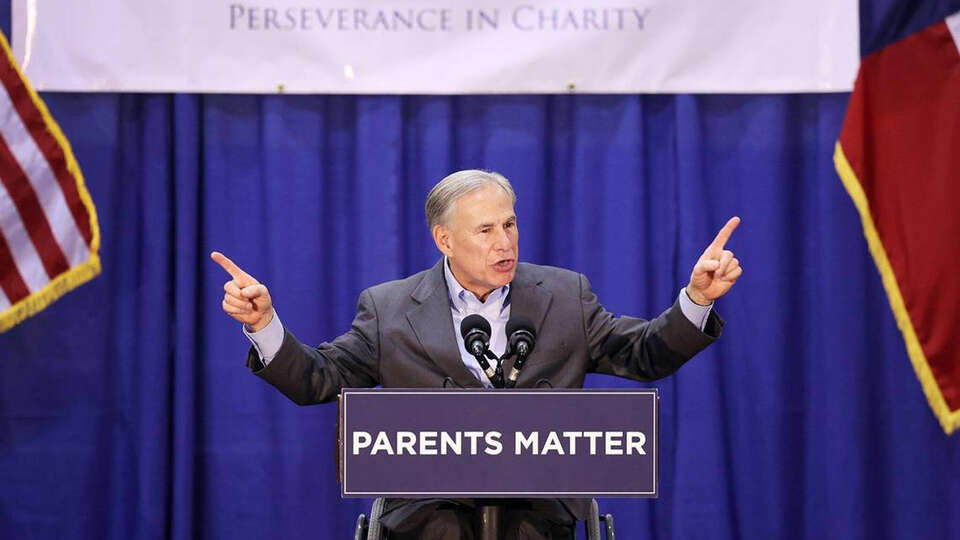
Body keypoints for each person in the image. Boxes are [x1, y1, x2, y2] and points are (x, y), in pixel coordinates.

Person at [212, 170, 742, 539]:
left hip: (536, 505)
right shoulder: (390, 307)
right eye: (485, 230)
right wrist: (263, 324)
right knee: (439, 530)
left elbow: (644, 354)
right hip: (427, 510)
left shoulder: (564, 296)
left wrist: (695, 300)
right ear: (444, 240)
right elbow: (317, 380)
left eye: (509, 224)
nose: (503, 242)